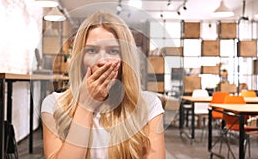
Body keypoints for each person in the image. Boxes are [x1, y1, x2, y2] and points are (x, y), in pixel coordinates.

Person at [41, 11, 165, 159]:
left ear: (126, 59)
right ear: (80, 58)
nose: (102, 61)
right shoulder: (54, 105)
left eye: (113, 51)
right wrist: (85, 106)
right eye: (92, 50)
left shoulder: (149, 106)